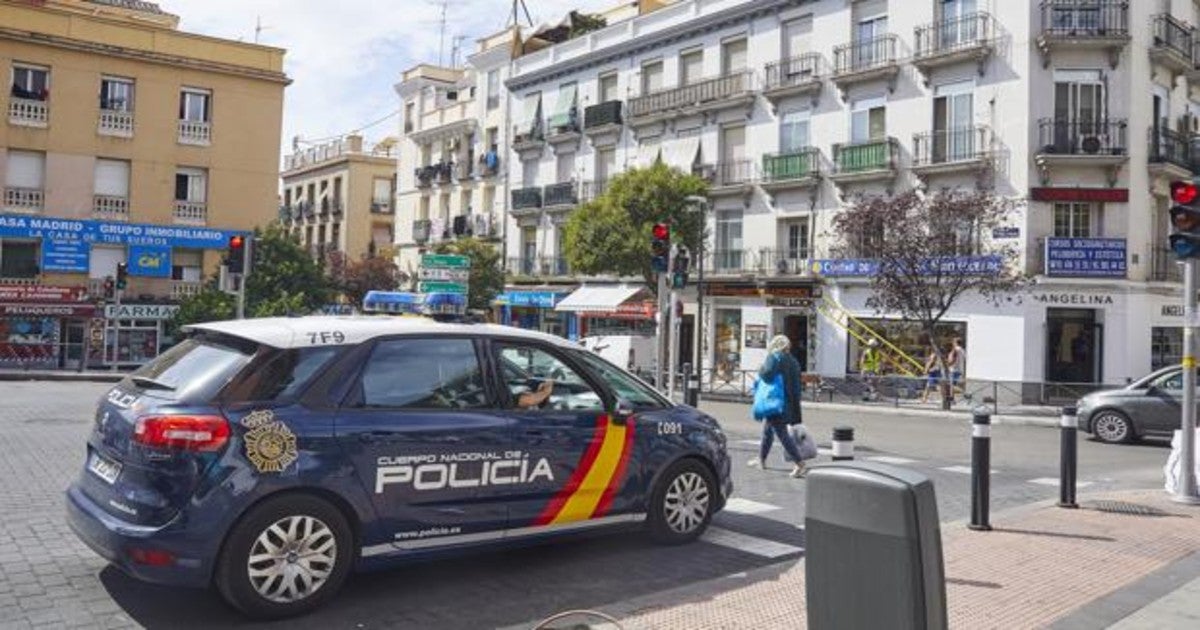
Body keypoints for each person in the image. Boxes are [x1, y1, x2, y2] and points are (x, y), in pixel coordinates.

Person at [749, 335, 807, 478]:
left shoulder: (775, 357)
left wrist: (760, 369)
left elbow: (767, 375)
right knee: (767, 430)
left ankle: (799, 463)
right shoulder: (793, 361)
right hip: (787, 402)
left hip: (774, 402)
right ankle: (761, 459)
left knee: (781, 433)